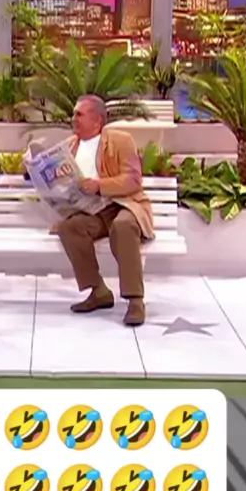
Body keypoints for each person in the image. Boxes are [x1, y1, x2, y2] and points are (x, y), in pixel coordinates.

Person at [55, 95, 154, 327]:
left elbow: (133, 180)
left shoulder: (120, 140)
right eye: (74, 114)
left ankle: (135, 300)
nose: (73, 118)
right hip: (93, 211)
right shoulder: (70, 145)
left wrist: (100, 185)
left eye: (79, 114)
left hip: (124, 205)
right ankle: (98, 291)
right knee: (70, 228)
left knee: (122, 226)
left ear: (97, 120)